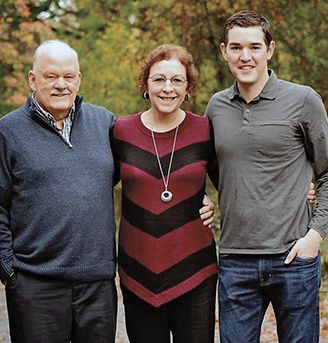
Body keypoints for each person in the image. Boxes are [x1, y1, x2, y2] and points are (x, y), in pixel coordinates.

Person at [205, 10, 328, 343]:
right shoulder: (215, 107)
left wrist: (314, 235)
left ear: (269, 50)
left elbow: (327, 172)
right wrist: (203, 199)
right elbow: (217, 170)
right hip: (234, 260)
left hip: (293, 257)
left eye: (254, 47)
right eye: (236, 47)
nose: (245, 56)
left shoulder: (303, 100)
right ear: (224, 51)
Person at [0, 40, 118, 342]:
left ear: (79, 78)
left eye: (68, 76)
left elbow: (142, 172)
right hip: (35, 285)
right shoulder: (7, 132)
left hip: (97, 285)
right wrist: (9, 272)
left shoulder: (104, 123)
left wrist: (197, 198)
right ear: (33, 79)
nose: (61, 85)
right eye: (51, 76)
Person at [111, 44, 219, 343]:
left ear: (188, 88)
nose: (167, 88)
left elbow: (235, 182)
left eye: (177, 80)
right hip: (138, 271)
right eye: (159, 79)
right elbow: (93, 183)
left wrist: (301, 185)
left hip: (196, 270)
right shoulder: (121, 131)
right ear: (145, 85)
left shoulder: (205, 129)